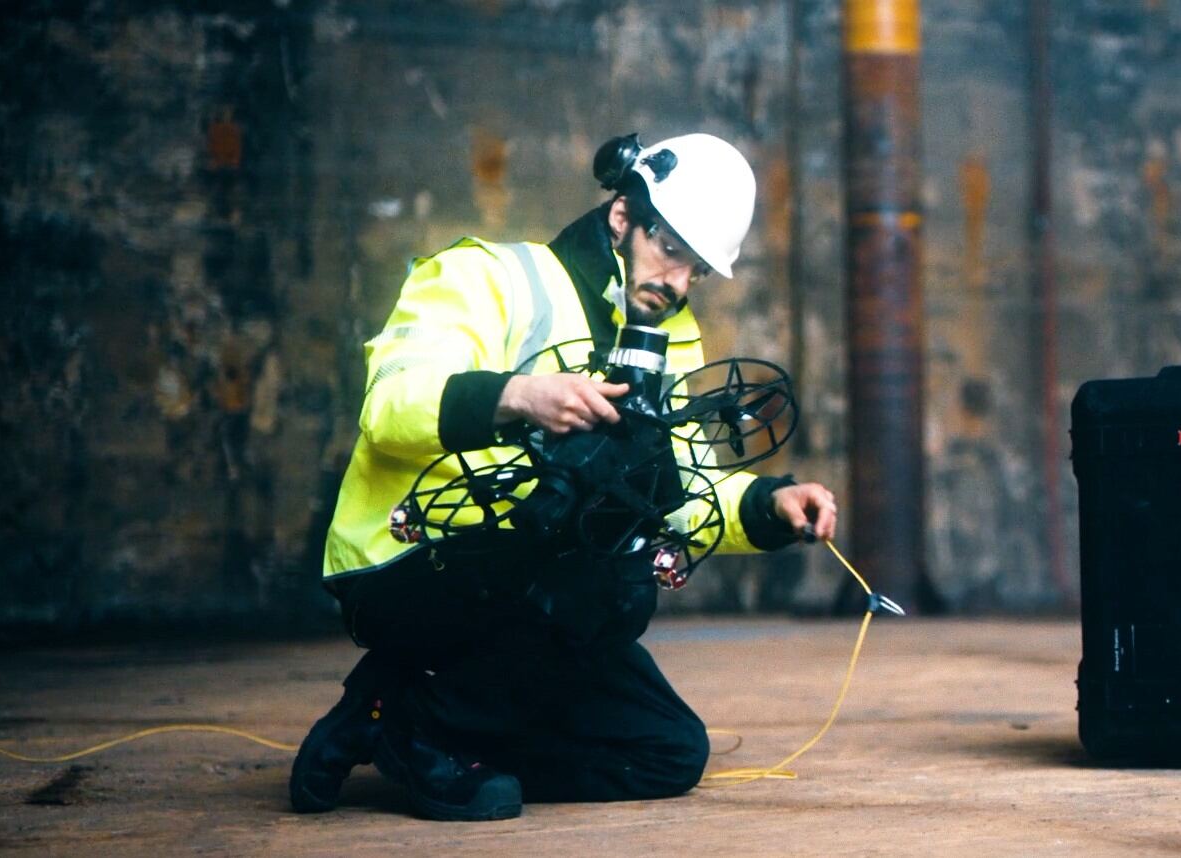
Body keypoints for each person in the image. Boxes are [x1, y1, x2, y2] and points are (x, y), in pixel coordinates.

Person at [289, 132, 838, 821]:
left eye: (696, 270)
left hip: (542, 591)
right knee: (613, 584)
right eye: (670, 250)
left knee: (667, 749)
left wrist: (769, 505)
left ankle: (405, 715)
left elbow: (678, 496)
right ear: (623, 216)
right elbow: (390, 406)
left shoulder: (667, 338)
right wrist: (517, 395)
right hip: (411, 560)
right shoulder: (487, 277)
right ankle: (422, 728)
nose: (677, 283)